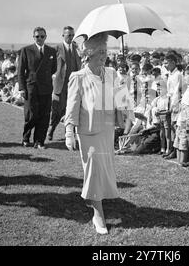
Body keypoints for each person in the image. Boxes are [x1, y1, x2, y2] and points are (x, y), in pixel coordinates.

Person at [64, 33, 132, 235]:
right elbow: (72, 106)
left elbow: (122, 98)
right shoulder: (78, 77)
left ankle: (94, 199)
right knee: (93, 171)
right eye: (100, 51)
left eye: (105, 51)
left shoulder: (111, 73)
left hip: (107, 131)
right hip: (88, 133)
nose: (104, 55)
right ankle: (98, 214)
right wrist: (69, 130)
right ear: (89, 53)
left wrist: (127, 111)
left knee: (103, 169)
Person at [18, 27, 57, 149]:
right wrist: (22, 88)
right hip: (31, 87)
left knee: (45, 115)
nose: (39, 38)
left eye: (42, 36)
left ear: (45, 37)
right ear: (33, 37)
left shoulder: (51, 51)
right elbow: (20, 71)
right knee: (31, 115)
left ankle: (40, 141)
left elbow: (53, 69)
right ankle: (26, 138)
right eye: (37, 36)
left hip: (46, 87)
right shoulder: (26, 50)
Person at [47, 26, 81, 141]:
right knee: (57, 110)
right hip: (60, 85)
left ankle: (68, 135)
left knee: (71, 110)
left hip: (73, 85)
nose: (71, 37)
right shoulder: (57, 48)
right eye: (68, 35)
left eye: (72, 35)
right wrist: (53, 75)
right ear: (63, 36)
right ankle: (51, 129)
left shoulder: (76, 48)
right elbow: (49, 63)